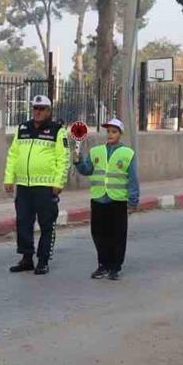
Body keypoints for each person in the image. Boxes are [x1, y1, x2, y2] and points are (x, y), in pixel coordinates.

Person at [5, 95, 69, 275]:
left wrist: (58, 182)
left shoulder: (57, 131)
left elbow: (63, 159)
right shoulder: (23, 128)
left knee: (46, 224)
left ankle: (43, 260)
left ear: (49, 111)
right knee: (23, 222)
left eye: (41, 109)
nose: (37, 112)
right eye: (35, 108)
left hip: (46, 186)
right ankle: (26, 258)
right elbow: (13, 155)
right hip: (24, 185)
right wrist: (9, 178)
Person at [74, 117, 139, 281]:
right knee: (98, 233)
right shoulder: (96, 151)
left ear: (120, 134)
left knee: (117, 234)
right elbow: (87, 170)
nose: (110, 134)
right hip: (98, 199)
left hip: (117, 200)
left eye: (114, 131)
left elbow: (133, 178)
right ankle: (103, 264)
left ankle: (115, 267)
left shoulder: (127, 153)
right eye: (108, 131)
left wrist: (133, 200)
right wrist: (78, 161)